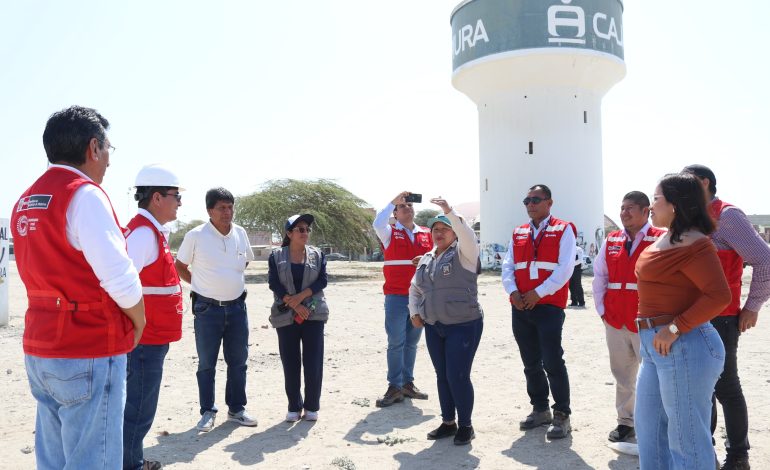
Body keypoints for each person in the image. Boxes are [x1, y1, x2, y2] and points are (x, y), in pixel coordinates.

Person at [10, 106, 145, 469]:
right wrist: (139, 321)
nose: (108, 162)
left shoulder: (25, 200)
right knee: (93, 461)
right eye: (108, 150)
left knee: (53, 459)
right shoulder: (84, 195)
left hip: (41, 347)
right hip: (87, 344)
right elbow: (120, 277)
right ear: (93, 148)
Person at [635, 173, 731, 469]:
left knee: (687, 443)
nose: (651, 207)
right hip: (654, 346)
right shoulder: (666, 237)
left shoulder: (696, 243)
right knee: (650, 436)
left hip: (684, 345)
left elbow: (719, 296)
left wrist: (675, 328)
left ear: (675, 204)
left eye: (655, 199)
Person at [683, 164, 770, 470]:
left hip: (721, 317)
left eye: (688, 179)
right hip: (689, 317)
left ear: (705, 182)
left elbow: (765, 260)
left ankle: (737, 457)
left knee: (725, 386)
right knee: (698, 387)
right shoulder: (689, 216)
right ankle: (706, 453)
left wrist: (753, 306)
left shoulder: (728, 216)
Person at [175, 187, 257, 432]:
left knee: (238, 361)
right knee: (207, 363)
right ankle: (207, 412)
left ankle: (237, 409)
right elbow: (179, 266)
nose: (227, 212)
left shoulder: (240, 233)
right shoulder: (196, 235)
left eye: (230, 207)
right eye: (221, 208)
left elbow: (246, 260)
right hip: (207, 309)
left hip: (237, 308)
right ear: (209, 210)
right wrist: (200, 284)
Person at [501, 184, 576, 439]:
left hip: (548, 306)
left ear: (549, 203)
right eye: (527, 200)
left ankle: (562, 415)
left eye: (536, 199)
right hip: (520, 306)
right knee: (530, 363)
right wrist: (513, 292)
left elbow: (565, 268)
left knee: (553, 361)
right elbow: (508, 265)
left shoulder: (564, 229)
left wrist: (538, 293)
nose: (530, 204)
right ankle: (540, 409)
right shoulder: (519, 232)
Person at [123, 164, 185, 470]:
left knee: (138, 406)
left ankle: (129, 460)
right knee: (138, 408)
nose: (179, 203)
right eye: (176, 196)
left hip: (150, 338)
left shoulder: (150, 232)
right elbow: (120, 285)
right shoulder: (143, 235)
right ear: (157, 197)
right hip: (144, 341)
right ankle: (130, 465)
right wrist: (137, 326)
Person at [592, 191, 666, 443]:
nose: (624, 213)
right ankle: (626, 422)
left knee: (654, 376)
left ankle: (655, 425)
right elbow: (600, 276)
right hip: (615, 320)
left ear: (646, 211)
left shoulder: (661, 239)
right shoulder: (611, 240)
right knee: (622, 374)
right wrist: (602, 311)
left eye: (630, 208)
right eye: (622, 208)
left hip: (648, 322)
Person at [409, 198, 483, 446]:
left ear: (454, 232)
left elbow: (467, 233)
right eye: (435, 230)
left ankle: (466, 425)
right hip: (435, 325)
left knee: (458, 375)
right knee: (443, 375)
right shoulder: (427, 258)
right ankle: (448, 422)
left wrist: (449, 212)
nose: (439, 233)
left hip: (463, 324)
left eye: (444, 228)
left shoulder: (466, 253)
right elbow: (416, 288)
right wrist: (414, 312)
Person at [372, 191, 434, 407]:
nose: (407, 207)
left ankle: (407, 383)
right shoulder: (388, 232)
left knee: (412, 343)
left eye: (409, 205)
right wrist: (393, 201)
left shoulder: (426, 233)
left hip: (420, 297)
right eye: (402, 206)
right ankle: (394, 386)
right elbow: (378, 221)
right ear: (395, 214)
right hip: (396, 296)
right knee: (396, 342)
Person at [268, 214, 329, 422]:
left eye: (306, 229)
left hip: (313, 314)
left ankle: (312, 406)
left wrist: (301, 300)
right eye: (300, 229)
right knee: (290, 361)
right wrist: (292, 303)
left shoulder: (318, 255)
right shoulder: (276, 256)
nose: (304, 233)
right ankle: (294, 406)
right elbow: (274, 283)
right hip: (286, 316)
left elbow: (322, 281)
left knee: (313, 361)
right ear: (289, 233)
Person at [568, 243, 585, 307]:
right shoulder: (568, 249)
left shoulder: (578, 249)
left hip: (577, 269)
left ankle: (581, 302)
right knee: (571, 286)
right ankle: (574, 302)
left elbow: (580, 260)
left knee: (578, 286)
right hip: (570, 270)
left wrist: (571, 264)